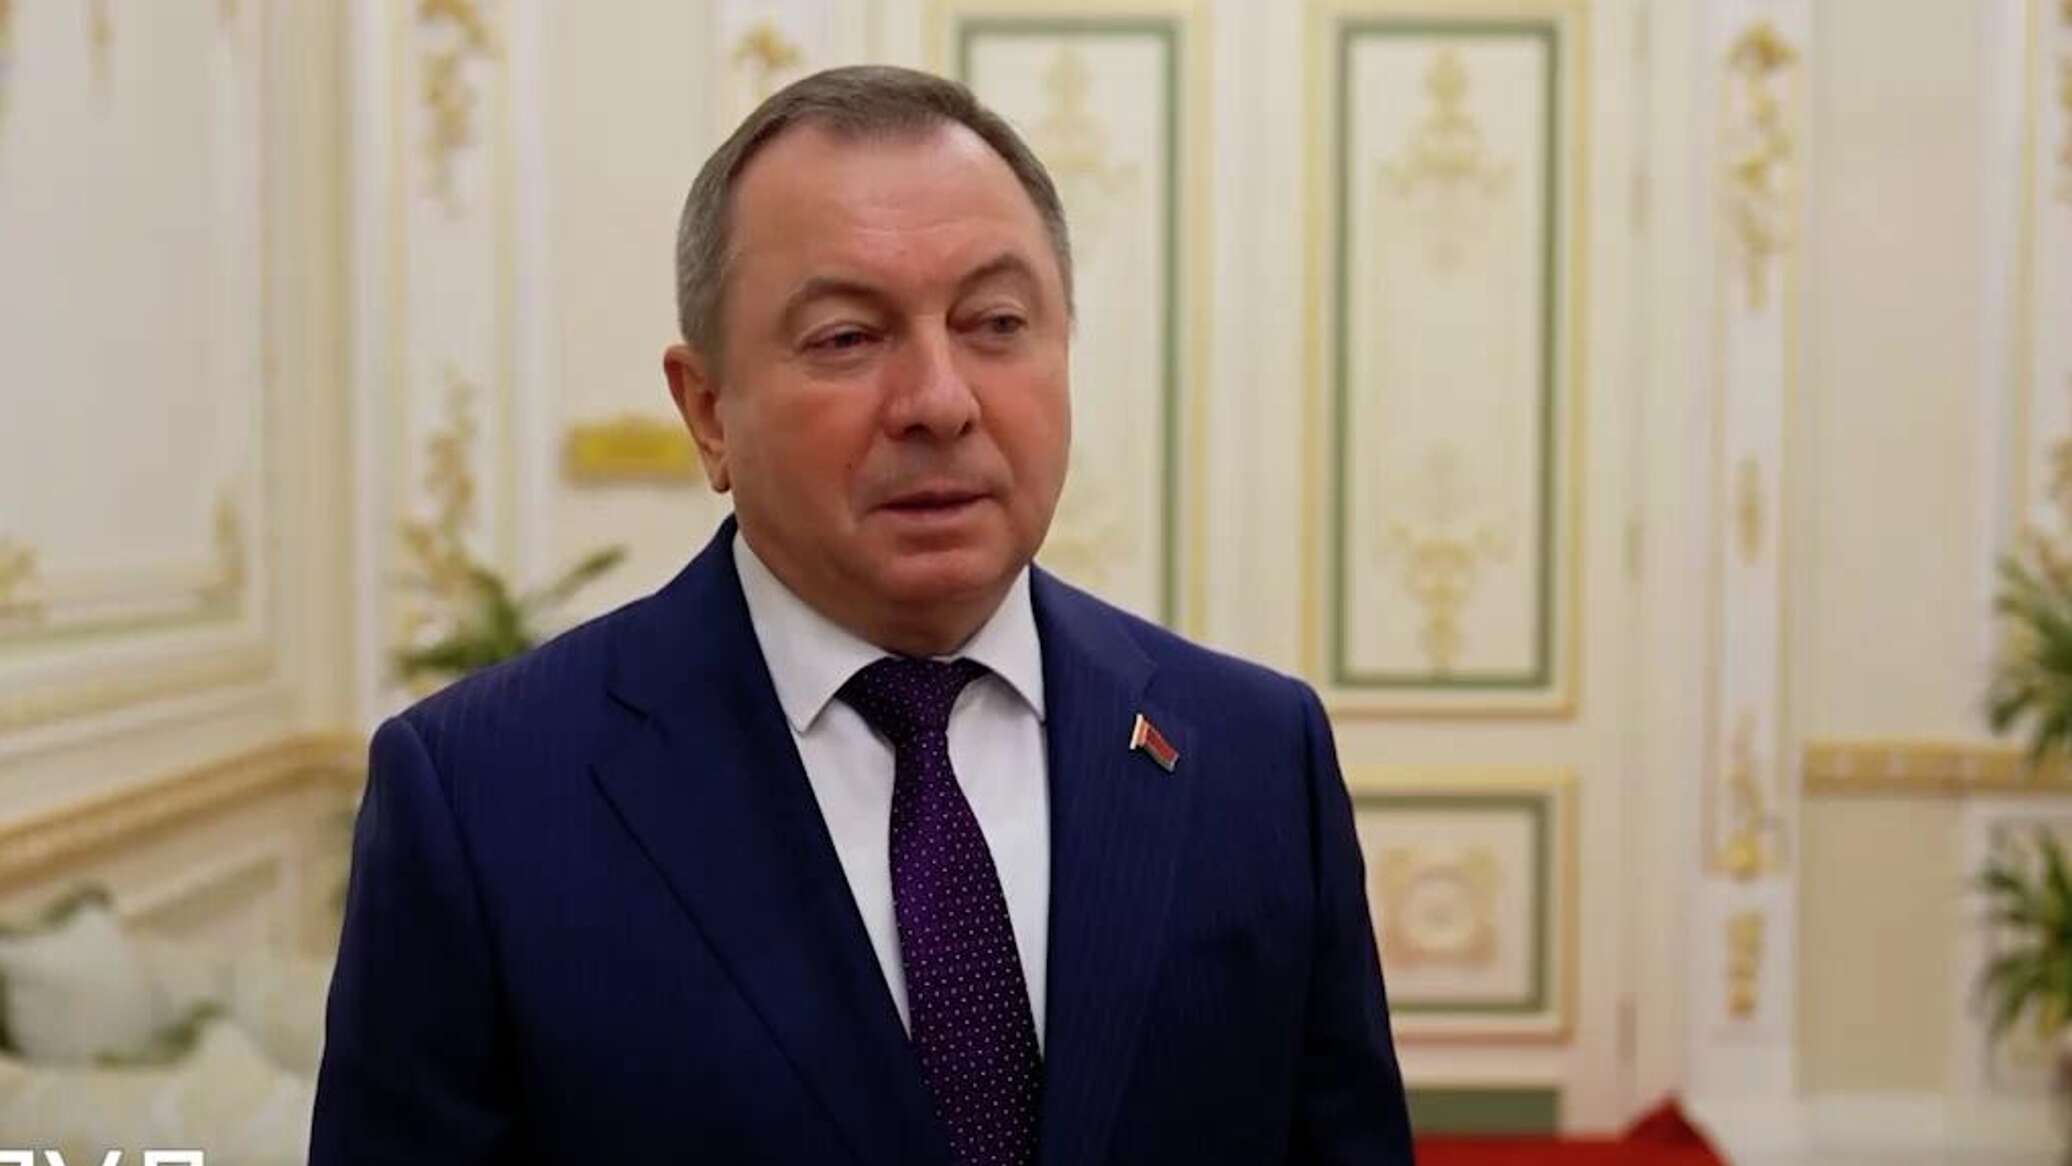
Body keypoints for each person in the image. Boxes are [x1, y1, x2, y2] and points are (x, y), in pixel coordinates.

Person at [311, 64, 1413, 1165]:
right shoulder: (482, 798)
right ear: (707, 412)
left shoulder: (1255, 755)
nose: (940, 400)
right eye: (846, 337)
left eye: (995, 322)